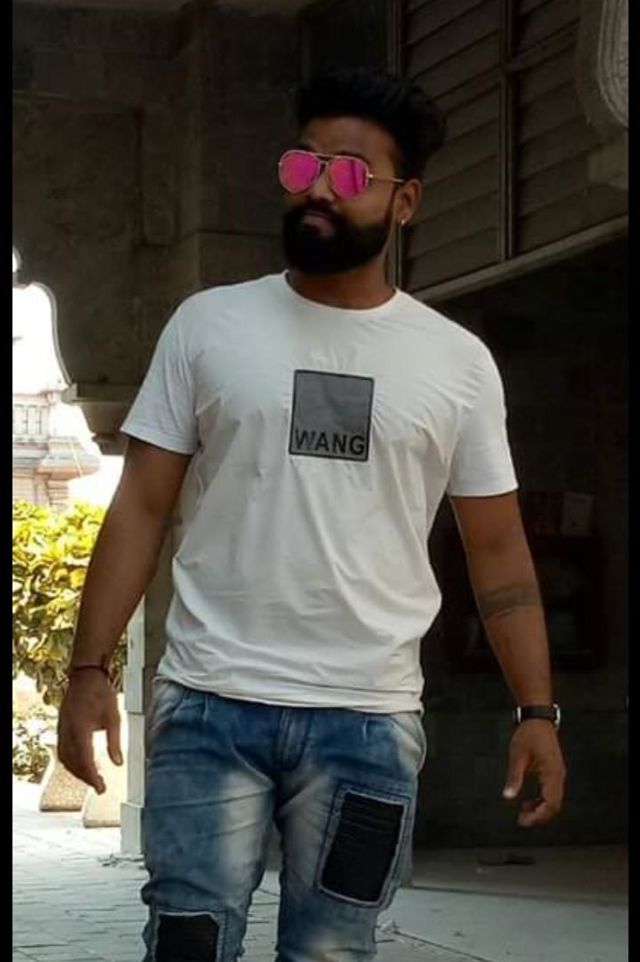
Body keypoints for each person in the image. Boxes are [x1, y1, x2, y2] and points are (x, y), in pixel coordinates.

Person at [57, 67, 566, 962]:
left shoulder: (457, 364)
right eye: (303, 166)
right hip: (210, 704)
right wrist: (89, 669)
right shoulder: (208, 326)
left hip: (367, 722)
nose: (320, 188)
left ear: (406, 202)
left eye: (351, 172)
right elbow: (139, 507)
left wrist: (538, 710)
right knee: (186, 943)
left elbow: (499, 553)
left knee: (334, 950)